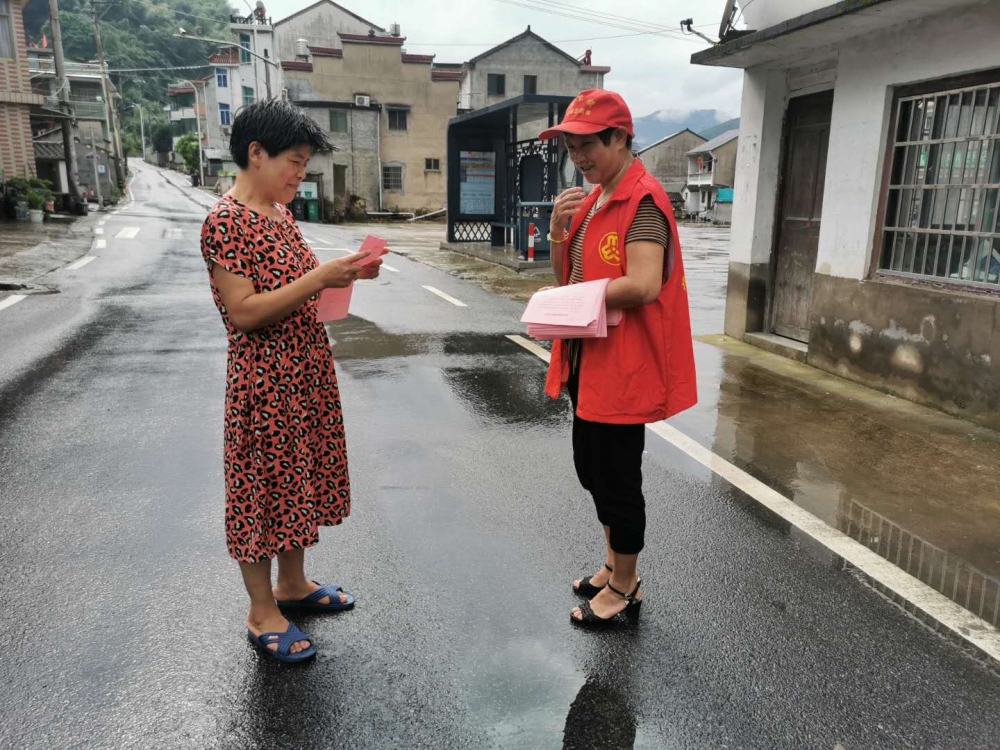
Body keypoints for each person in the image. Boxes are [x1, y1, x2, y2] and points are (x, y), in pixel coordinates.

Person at [200, 99, 381, 662]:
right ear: (256, 154)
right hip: (263, 382)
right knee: (260, 493)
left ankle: (293, 585)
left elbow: (299, 289)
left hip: (305, 371)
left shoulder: (281, 215)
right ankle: (261, 612)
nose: (300, 175)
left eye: (305, 164)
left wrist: (345, 273)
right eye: (294, 163)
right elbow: (246, 312)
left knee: (298, 480)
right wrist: (317, 277)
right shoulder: (225, 222)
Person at [537, 90, 697, 627]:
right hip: (588, 361)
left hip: (624, 366)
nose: (579, 157)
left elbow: (645, 284)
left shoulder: (643, 199)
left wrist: (578, 299)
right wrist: (560, 230)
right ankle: (612, 563)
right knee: (592, 470)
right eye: (571, 147)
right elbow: (569, 279)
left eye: (588, 144)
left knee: (618, 478)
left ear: (621, 138)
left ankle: (626, 586)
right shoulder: (594, 200)